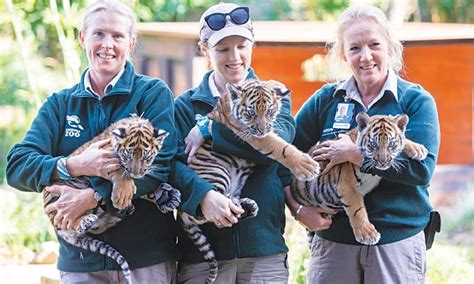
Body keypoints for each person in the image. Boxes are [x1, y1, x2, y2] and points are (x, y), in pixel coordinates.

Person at [6, 0, 178, 283]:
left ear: (131, 43)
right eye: (98, 33)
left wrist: (94, 194)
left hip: (145, 259)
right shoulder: (60, 104)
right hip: (81, 263)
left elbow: (163, 164)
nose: (107, 44)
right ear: (82, 38)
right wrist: (73, 166)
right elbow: (17, 167)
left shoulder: (151, 93)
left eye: (118, 36)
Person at [282, 4, 440, 283]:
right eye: (355, 48)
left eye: (374, 45)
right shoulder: (328, 99)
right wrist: (297, 209)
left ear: (390, 47)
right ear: (344, 54)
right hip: (333, 243)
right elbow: (284, 156)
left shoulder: (416, 100)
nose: (366, 56)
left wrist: (356, 155)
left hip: (396, 244)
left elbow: (421, 171)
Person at [170, 3, 293, 283]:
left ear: (252, 45)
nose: (234, 57)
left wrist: (211, 128)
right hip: (203, 257)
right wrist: (203, 196)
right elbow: (171, 168)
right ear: (205, 50)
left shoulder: (275, 94)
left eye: (241, 46)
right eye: (223, 49)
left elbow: (275, 144)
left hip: (263, 252)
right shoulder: (185, 106)